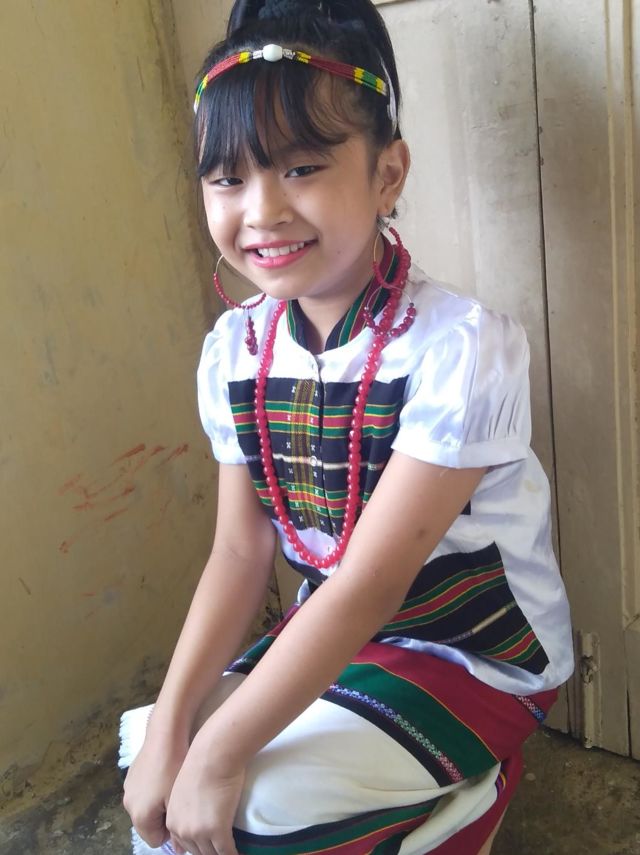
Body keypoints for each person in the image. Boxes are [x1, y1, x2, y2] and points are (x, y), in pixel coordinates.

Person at [120, 1, 574, 853]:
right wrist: (176, 727)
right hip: (337, 631)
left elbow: (370, 584)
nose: (262, 210)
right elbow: (239, 553)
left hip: (469, 651)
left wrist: (217, 752)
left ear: (387, 174)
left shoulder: (459, 349)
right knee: (156, 763)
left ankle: (470, 803)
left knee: (253, 806)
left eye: (301, 167)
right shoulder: (236, 349)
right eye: (227, 178)